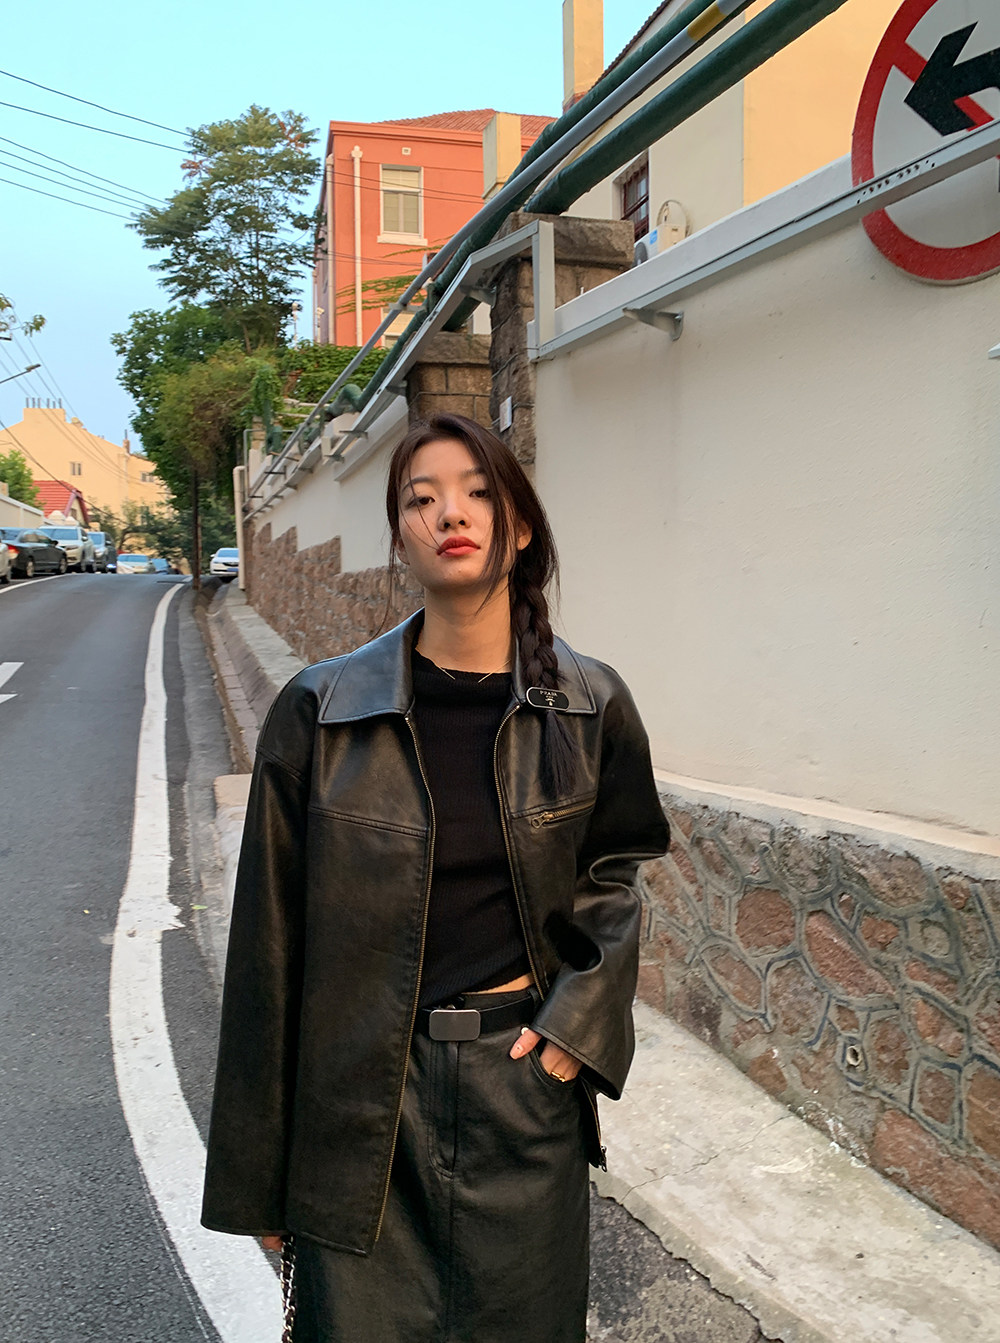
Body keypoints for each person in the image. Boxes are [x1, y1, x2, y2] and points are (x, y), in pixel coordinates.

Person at [202, 412, 670, 1342]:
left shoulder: (590, 704)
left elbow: (616, 874)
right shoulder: (321, 710)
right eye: (422, 498)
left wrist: (574, 1030)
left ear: (518, 527)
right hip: (359, 1107)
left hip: (521, 1092)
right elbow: (268, 950)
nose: (450, 513)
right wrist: (260, 1173)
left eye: (477, 492)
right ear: (401, 538)